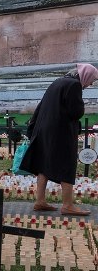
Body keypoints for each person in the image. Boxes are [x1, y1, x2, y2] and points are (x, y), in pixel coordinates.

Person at [20, 63, 98, 216]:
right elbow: (76, 112)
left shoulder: (57, 82)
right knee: (67, 164)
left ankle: (40, 201)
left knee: (43, 164)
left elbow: (40, 106)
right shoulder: (74, 85)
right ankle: (68, 205)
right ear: (85, 75)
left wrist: (32, 128)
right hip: (60, 133)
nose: (91, 84)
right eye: (92, 80)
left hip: (44, 130)